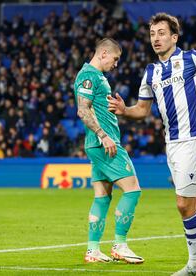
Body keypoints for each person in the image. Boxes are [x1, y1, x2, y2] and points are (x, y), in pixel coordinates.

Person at [108, 13, 196, 276]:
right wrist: (124, 110)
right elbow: (143, 110)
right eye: (152, 34)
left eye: (161, 33)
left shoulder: (192, 59)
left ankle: (195, 262)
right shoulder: (151, 72)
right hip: (173, 143)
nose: (156, 38)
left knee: (183, 204)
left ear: (174, 37)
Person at [74, 38, 143, 264]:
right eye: (115, 59)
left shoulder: (98, 78)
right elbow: (82, 111)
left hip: (98, 144)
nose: (116, 64)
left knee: (102, 197)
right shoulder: (88, 76)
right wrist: (104, 136)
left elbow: (94, 108)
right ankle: (120, 245)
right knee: (132, 190)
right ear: (103, 53)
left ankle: (93, 250)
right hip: (105, 143)